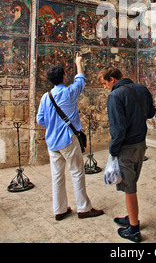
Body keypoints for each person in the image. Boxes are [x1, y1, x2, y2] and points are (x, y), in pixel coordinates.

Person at [37, 52, 104, 221]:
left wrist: (53, 123)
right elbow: (80, 80)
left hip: (52, 142)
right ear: (64, 77)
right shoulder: (69, 93)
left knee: (57, 175)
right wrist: (78, 62)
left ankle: (59, 210)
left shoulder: (46, 97)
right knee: (76, 172)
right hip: (67, 140)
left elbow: (40, 120)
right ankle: (83, 208)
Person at [99, 67, 156, 242]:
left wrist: (113, 151)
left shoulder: (115, 96)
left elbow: (118, 128)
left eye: (104, 83)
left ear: (112, 80)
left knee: (129, 188)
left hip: (126, 147)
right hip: (141, 144)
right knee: (130, 183)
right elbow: (151, 112)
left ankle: (133, 229)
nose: (104, 87)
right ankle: (131, 217)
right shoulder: (141, 88)